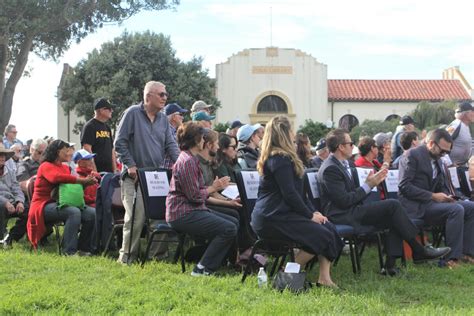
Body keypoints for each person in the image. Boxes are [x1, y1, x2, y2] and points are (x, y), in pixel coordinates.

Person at [317, 128, 450, 275]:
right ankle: (418, 249)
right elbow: (344, 201)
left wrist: (368, 185)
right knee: (393, 205)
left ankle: (390, 266)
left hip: (351, 209)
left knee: (393, 217)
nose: (353, 146)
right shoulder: (330, 168)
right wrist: (368, 186)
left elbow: (350, 197)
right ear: (341, 147)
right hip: (341, 214)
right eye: (350, 143)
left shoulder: (341, 164)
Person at [251, 116, 343, 288]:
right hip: (272, 218)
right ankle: (287, 274)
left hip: (283, 213)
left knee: (327, 226)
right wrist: (308, 215)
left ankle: (324, 277)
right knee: (321, 234)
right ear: (285, 134)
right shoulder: (279, 159)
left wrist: (314, 213)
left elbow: (301, 195)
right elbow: (290, 195)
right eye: (291, 129)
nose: (294, 133)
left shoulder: (286, 158)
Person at [114, 81, 180, 264]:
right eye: (161, 95)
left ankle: (156, 258)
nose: (165, 98)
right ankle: (127, 258)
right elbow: (119, 142)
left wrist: (182, 164)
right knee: (136, 217)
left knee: (162, 216)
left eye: (166, 95)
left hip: (155, 177)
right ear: (148, 96)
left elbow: (171, 145)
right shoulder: (132, 113)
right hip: (134, 177)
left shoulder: (163, 120)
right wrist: (130, 164)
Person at [166, 122, 238, 276]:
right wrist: (214, 187)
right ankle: (203, 268)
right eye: (202, 138)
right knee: (228, 228)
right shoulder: (188, 162)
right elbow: (195, 196)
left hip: (190, 210)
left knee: (232, 222)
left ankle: (212, 263)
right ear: (197, 140)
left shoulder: (190, 159)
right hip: (183, 213)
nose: (204, 141)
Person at [398, 128, 474, 268]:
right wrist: (432, 196)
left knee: (470, 207)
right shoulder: (412, 155)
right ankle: (451, 259)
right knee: (455, 210)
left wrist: (448, 196)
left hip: (431, 204)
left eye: (447, 152)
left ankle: (467, 253)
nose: (444, 154)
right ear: (431, 143)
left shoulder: (437, 160)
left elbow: (440, 186)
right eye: (443, 151)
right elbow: (404, 186)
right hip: (415, 206)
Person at [26, 140, 97, 255]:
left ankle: (83, 249)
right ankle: (69, 252)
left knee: (92, 214)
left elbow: (70, 186)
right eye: (67, 150)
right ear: (58, 152)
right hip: (42, 206)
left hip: (61, 202)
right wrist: (81, 180)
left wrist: (85, 184)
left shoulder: (65, 167)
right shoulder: (45, 166)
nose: (70, 153)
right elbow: (56, 178)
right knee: (73, 212)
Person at [0, 145, 26, 248]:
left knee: (29, 211)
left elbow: (16, 188)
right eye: (0, 155)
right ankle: (1, 238)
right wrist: (5, 202)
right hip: (2, 203)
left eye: (3, 155)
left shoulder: (10, 172)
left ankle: (11, 237)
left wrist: (20, 201)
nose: (2, 158)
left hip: (12, 201)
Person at [80, 98, 116, 173]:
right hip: (95, 173)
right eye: (109, 109)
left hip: (109, 173)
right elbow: (87, 149)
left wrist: (115, 170)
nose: (111, 111)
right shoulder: (89, 126)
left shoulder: (107, 127)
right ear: (101, 110)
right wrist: (95, 172)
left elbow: (111, 150)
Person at [446, 102, 474, 167]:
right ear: (465, 113)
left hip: (462, 165)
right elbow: (442, 143)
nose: (473, 114)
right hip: (453, 167)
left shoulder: (466, 126)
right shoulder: (456, 125)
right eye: (472, 111)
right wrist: (449, 163)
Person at [161, 103, 188, 170]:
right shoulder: (166, 131)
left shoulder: (173, 131)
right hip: (166, 172)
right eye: (181, 114)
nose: (183, 117)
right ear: (173, 117)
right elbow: (177, 151)